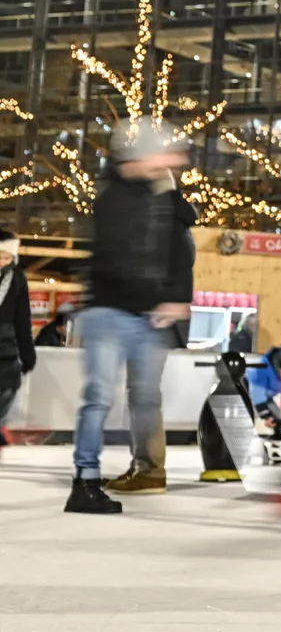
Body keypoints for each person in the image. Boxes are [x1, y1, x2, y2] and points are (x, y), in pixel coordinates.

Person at [65, 122, 196, 514]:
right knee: (100, 397)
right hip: (110, 310)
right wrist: (164, 298)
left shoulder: (157, 196)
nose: (164, 165)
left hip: (145, 315)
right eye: (156, 158)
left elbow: (176, 253)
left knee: (143, 396)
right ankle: (86, 478)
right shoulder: (115, 198)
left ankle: (148, 469)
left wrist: (173, 299)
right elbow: (121, 255)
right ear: (135, 157)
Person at [0, 229, 36, 450]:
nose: (2, 262)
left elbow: (23, 320)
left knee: (8, 387)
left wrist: (27, 353)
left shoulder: (17, 279)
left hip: (5, 349)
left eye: (7, 258)